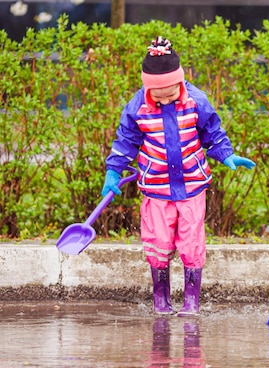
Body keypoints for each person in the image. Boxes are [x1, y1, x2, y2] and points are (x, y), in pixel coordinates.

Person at [101, 36, 255, 316]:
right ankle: (161, 300)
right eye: (157, 96)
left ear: (181, 83)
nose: (165, 100)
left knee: (191, 242)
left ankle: (191, 302)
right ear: (147, 89)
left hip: (192, 187)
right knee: (158, 243)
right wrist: (113, 171)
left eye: (170, 94)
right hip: (156, 189)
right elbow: (125, 142)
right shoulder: (137, 108)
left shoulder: (196, 101)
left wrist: (226, 154)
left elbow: (212, 132)